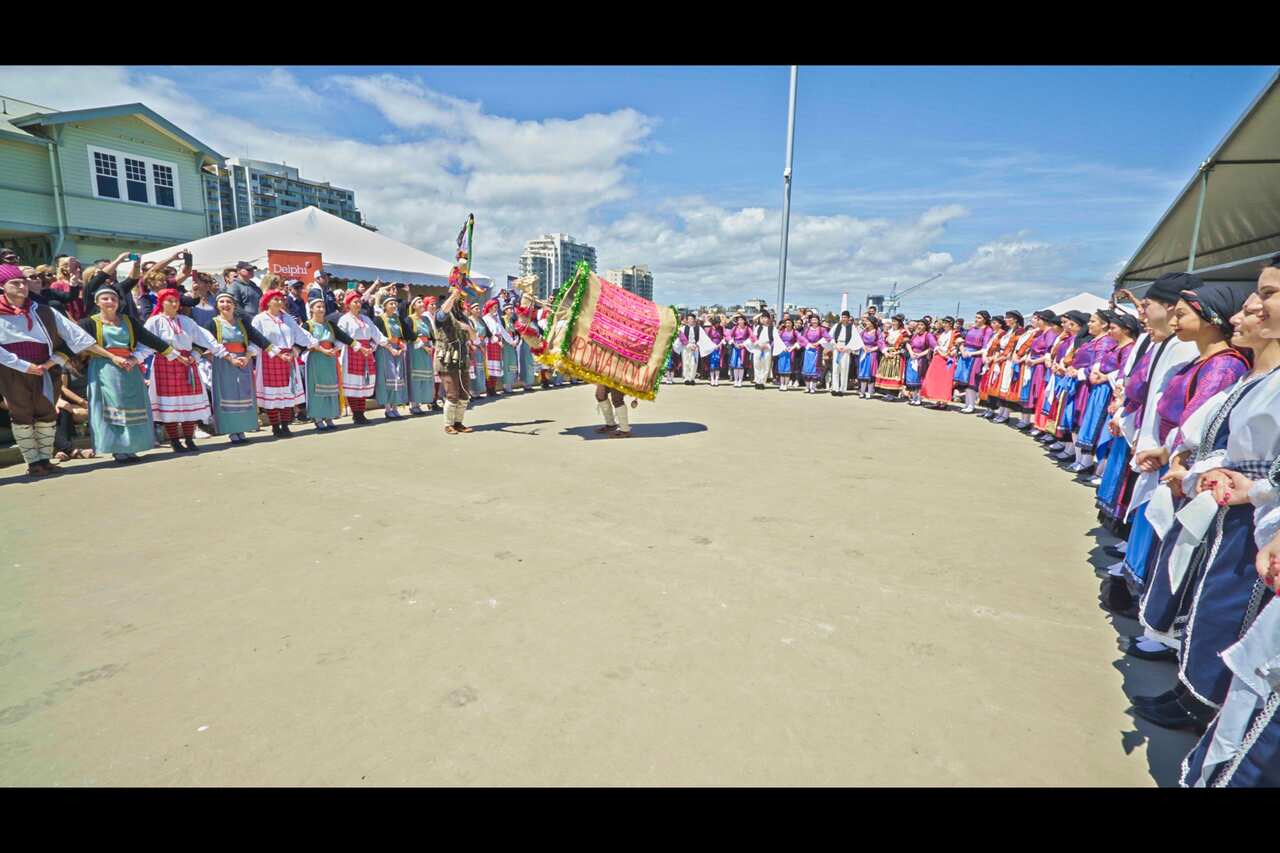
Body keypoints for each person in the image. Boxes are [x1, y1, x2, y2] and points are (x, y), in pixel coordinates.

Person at [78, 284, 172, 463]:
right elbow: (85, 344)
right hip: (105, 367)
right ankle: (118, 448)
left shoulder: (128, 321)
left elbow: (148, 338)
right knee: (114, 405)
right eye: (105, 298)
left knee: (132, 405)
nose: (110, 302)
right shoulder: (89, 322)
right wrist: (112, 357)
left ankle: (132, 446)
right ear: (97, 302)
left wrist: (171, 352)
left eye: (113, 298)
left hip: (129, 367)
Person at [142, 287, 226, 453]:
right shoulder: (155, 322)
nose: (174, 304)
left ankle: (188, 438)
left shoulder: (187, 321)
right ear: (162, 303)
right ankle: (175, 440)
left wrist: (195, 355)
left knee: (190, 404)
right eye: (170, 301)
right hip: (165, 364)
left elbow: (203, 340)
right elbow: (147, 343)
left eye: (176, 301)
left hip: (188, 364)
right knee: (170, 406)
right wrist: (136, 360)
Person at [205, 292, 272, 443]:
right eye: (221, 302)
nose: (225, 304)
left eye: (228, 301)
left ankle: (242, 428)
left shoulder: (242, 323)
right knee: (228, 395)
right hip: (224, 363)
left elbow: (257, 339)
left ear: (234, 305)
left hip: (243, 361)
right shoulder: (213, 323)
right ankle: (232, 430)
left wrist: (248, 356)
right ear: (217, 305)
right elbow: (205, 343)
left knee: (244, 395)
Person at [251, 288, 319, 437]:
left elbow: (301, 335)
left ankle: (285, 425)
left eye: (282, 299)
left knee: (288, 394)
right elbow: (255, 340)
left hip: (288, 359)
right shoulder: (260, 319)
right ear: (267, 301)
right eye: (276, 299)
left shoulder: (287, 318)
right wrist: (250, 353)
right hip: (270, 359)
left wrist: (296, 350)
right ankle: (275, 426)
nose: (280, 301)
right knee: (272, 395)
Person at [336, 291, 388, 425]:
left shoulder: (366, 319)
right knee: (353, 385)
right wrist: (335, 348)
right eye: (355, 302)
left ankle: (361, 413)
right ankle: (356, 414)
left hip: (366, 354)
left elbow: (376, 334)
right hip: (352, 353)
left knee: (363, 384)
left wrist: (374, 345)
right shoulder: (344, 319)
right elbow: (341, 338)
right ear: (348, 304)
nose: (358, 304)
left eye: (359, 302)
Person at [301, 297, 351, 431]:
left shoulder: (329, 325)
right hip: (316, 359)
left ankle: (329, 416)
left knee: (331, 388)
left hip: (330, 359)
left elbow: (343, 337)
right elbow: (304, 342)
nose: (321, 309)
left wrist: (336, 348)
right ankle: (317, 418)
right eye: (318, 307)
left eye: (323, 307)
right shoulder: (307, 325)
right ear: (311, 309)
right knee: (316, 388)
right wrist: (322, 350)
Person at [434, 285, 475, 434]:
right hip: (447, 358)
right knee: (452, 393)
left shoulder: (464, 317)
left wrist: (469, 329)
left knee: (464, 393)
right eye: (458, 298)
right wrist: (454, 294)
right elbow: (443, 311)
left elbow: (474, 338)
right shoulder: (442, 314)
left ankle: (458, 423)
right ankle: (448, 424)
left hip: (462, 359)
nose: (460, 300)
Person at [406, 296, 437, 415]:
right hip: (415, 350)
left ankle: (422, 402)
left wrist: (431, 346)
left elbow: (431, 335)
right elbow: (409, 336)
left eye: (422, 302)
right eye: (419, 302)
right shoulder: (409, 319)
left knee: (425, 377)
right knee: (416, 377)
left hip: (427, 350)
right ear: (413, 306)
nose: (422, 304)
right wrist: (423, 346)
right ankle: (414, 405)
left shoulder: (425, 319)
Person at [921, 316, 957, 408]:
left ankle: (944, 402)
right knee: (936, 378)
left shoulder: (955, 334)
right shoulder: (941, 334)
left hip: (947, 358)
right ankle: (937, 400)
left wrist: (950, 353)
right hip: (938, 357)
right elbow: (936, 344)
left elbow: (957, 345)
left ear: (951, 324)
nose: (944, 324)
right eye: (944, 323)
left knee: (945, 380)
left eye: (946, 323)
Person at [904, 319, 936, 406]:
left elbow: (932, 347)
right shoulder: (915, 335)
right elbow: (908, 343)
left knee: (919, 378)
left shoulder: (928, 335)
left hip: (921, 359)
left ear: (925, 326)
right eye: (918, 324)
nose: (919, 326)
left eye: (922, 324)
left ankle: (919, 398)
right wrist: (911, 352)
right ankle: (914, 397)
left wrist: (920, 354)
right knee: (913, 379)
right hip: (912, 357)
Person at [829, 311, 859, 397]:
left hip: (846, 349)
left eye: (845, 317)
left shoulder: (852, 327)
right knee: (835, 368)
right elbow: (830, 336)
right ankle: (835, 388)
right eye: (842, 317)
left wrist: (847, 347)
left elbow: (855, 339)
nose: (844, 319)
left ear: (848, 318)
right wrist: (835, 345)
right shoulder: (836, 326)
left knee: (844, 368)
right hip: (837, 347)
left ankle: (842, 389)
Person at [798, 314, 830, 394]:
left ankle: (813, 387)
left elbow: (828, 338)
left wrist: (818, 343)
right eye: (812, 320)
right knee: (807, 368)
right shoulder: (807, 329)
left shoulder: (822, 329)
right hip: (808, 351)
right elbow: (802, 339)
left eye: (815, 319)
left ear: (818, 321)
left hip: (817, 350)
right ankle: (807, 387)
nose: (814, 321)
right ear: (810, 321)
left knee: (815, 369)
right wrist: (808, 344)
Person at [228, 261, 263, 325]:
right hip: (245, 323)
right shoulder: (234, 286)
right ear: (238, 271)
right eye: (248, 270)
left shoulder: (254, 286)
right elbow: (235, 306)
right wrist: (250, 319)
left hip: (259, 321)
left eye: (252, 269)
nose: (251, 271)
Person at [855, 317, 882, 399]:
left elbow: (880, 343)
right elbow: (859, 341)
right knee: (863, 372)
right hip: (864, 352)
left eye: (868, 321)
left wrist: (872, 349)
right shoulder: (864, 332)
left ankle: (869, 392)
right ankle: (862, 391)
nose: (866, 322)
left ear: (872, 323)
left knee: (871, 373)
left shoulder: (877, 332)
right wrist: (863, 348)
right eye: (866, 321)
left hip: (872, 354)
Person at [774, 316, 800, 392]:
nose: (788, 324)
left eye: (789, 323)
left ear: (792, 324)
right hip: (782, 350)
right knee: (781, 368)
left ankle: (786, 384)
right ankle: (781, 384)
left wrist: (793, 347)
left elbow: (799, 341)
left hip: (790, 351)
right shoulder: (781, 331)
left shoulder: (795, 332)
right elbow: (777, 340)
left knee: (788, 369)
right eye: (786, 323)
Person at [727, 314, 754, 388]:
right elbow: (728, 335)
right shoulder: (735, 328)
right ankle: (735, 380)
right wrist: (733, 343)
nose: (740, 321)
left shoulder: (748, 328)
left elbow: (752, 336)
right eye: (739, 320)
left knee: (741, 365)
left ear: (744, 321)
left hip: (743, 347)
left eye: (742, 320)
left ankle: (740, 381)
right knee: (735, 365)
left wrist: (744, 344)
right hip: (736, 347)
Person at [751, 311, 774, 389]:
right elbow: (753, 337)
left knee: (766, 365)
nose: (764, 319)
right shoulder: (758, 327)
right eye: (762, 318)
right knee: (757, 364)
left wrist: (768, 345)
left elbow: (775, 339)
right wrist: (758, 343)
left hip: (767, 347)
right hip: (758, 347)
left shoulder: (772, 328)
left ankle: (762, 382)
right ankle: (758, 381)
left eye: (765, 318)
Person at [678, 313, 701, 385]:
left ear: (694, 320)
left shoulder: (699, 328)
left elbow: (702, 338)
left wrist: (696, 345)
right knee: (686, 362)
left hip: (695, 347)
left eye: (691, 319)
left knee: (694, 363)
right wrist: (687, 345)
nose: (690, 320)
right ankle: (686, 378)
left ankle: (692, 378)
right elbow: (681, 338)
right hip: (686, 347)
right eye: (689, 319)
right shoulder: (683, 328)